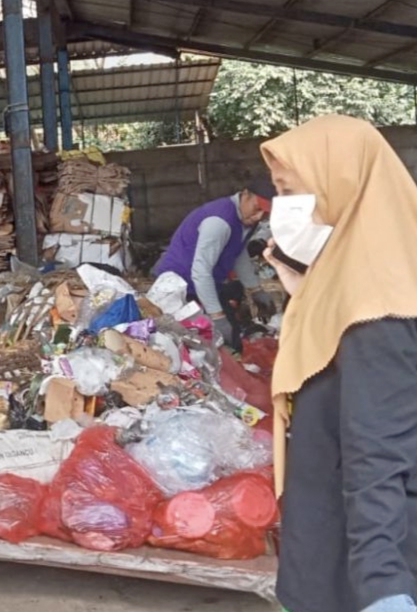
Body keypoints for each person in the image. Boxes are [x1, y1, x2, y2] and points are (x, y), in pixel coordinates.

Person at [261, 115, 417, 612]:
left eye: (290, 191)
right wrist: (307, 293)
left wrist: (383, 589)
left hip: (349, 580)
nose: (282, 208)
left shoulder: (376, 313)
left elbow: (379, 455)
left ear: (341, 186)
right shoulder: (372, 281)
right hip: (334, 560)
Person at [153, 178, 278, 351]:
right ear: (245, 194)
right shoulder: (219, 222)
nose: (258, 217)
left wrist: (255, 289)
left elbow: (238, 252)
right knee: (209, 344)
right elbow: (201, 272)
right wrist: (217, 316)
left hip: (203, 284)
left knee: (230, 338)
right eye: (257, 209)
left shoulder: (245, 219)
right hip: (181, 288)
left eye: (265, 214)